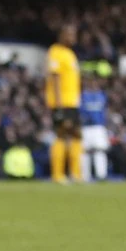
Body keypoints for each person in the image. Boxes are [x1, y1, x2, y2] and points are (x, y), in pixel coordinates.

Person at [45, 25, 82, 184]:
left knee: (76, 135)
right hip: (62, 102)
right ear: (62, 35)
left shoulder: (70, 53)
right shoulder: (55, 52)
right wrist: (59, 105)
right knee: (61, 134)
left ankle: (76, 174)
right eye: (70, 34)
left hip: (73, 102)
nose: (73, 37)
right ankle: (57, 175)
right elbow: (55, 78)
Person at [80, 74, 109, 182]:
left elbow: (105, 111)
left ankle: (101, 175)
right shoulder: (82, 96)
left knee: (100, 150)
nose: (93, 84)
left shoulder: (102, 95)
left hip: (99, 126)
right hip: (86, 127)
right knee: (85, 151)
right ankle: (84, 175)